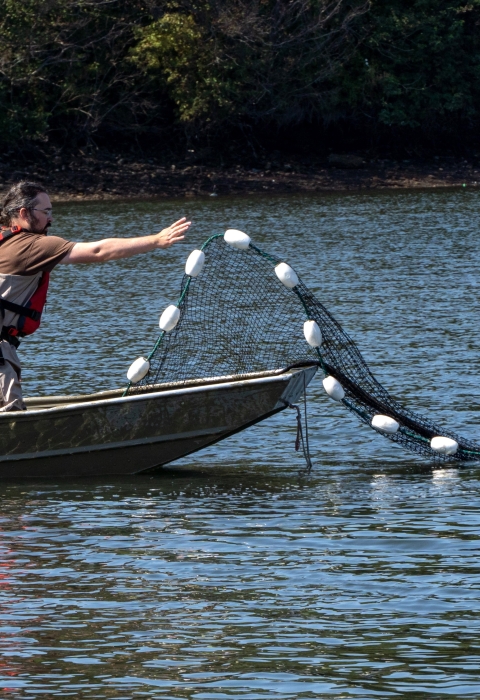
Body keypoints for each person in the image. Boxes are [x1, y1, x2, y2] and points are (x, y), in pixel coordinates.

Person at [0, 181, 190, 411]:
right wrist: (156, 240)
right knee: (12, 423)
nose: (51, 218)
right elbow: (98, 251)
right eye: (46, 211)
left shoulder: (4, 241)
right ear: (23, 213)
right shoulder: (31, 246)